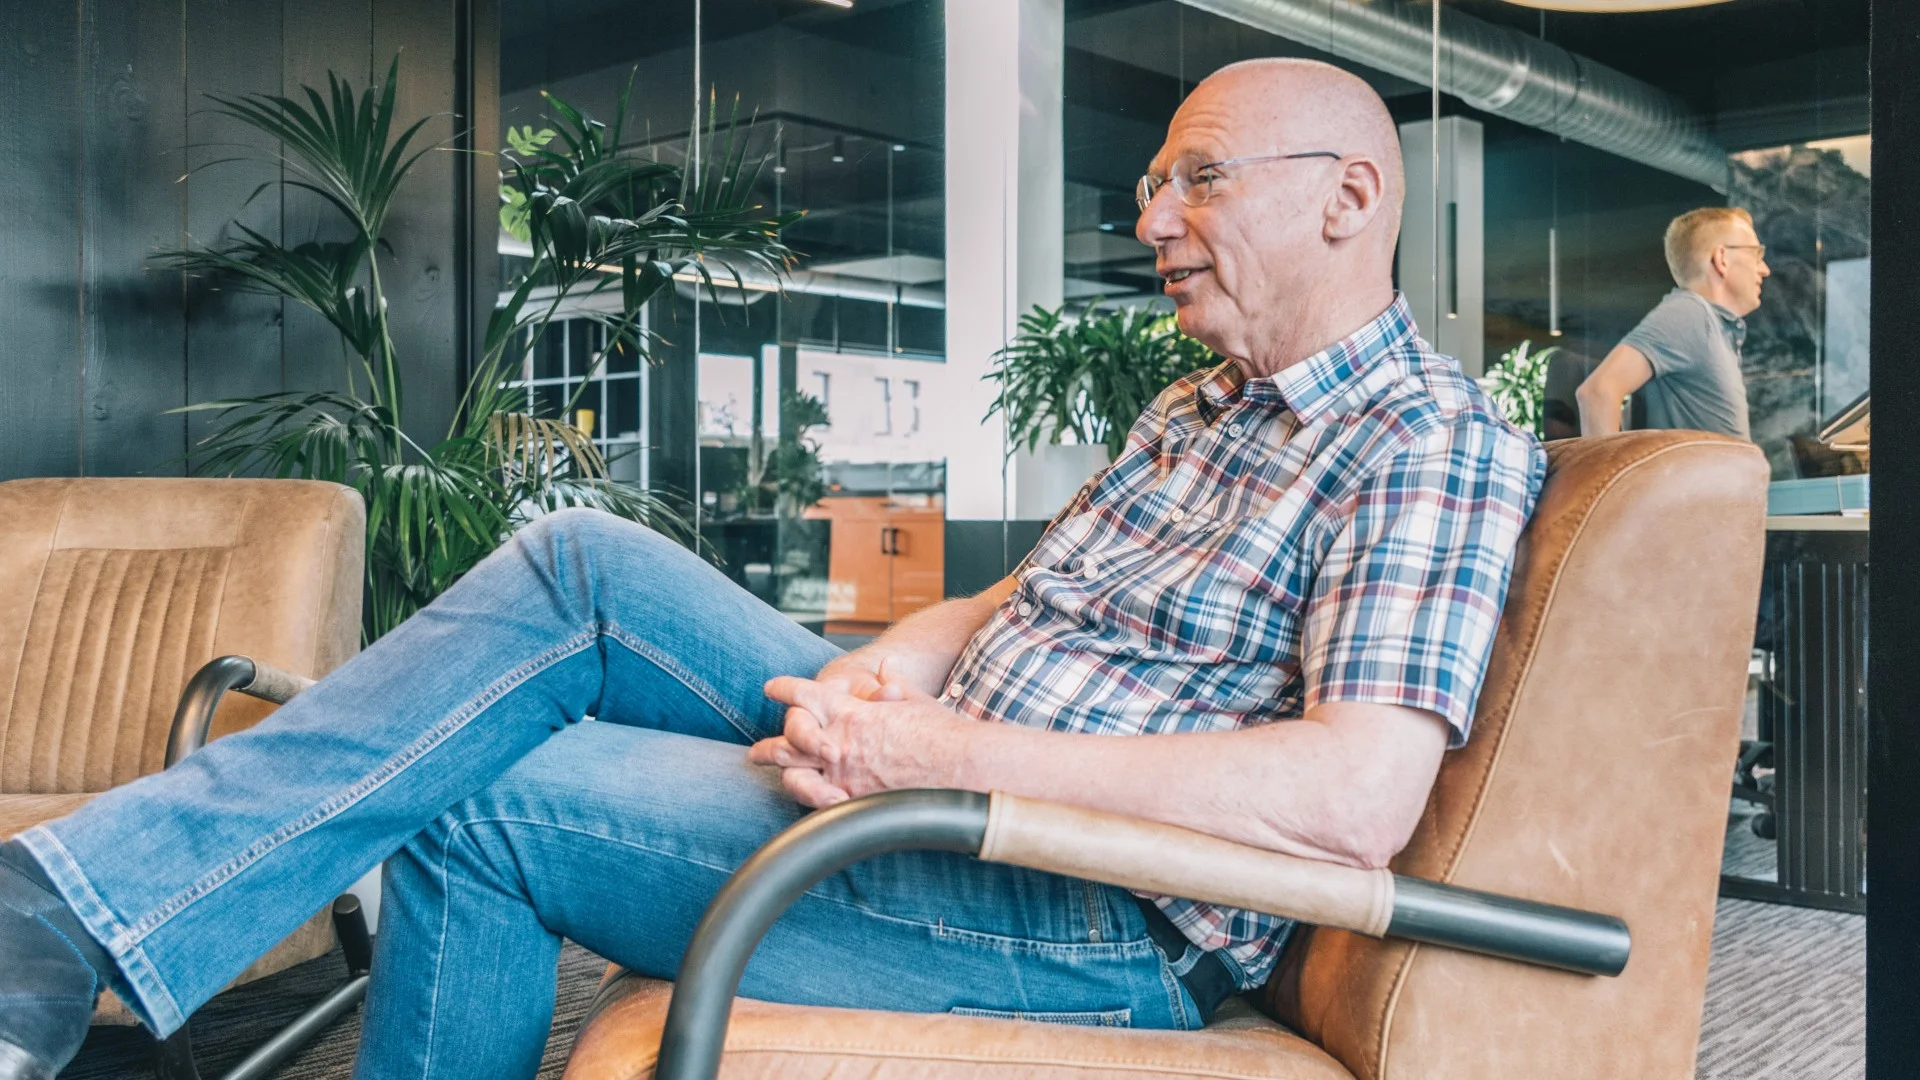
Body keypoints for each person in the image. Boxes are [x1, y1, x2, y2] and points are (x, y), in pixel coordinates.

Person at [0, 58, 1544, 1080]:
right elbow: (1015, 603)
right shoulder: (1194, 410)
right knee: (583, 562)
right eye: (1153, 184)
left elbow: (1352, 800)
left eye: (1197, 179)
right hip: (955, 776)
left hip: (1078, 908)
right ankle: (64, 919)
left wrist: (932, 755)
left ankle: (58, 931)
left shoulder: (1426, 440)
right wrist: (894, 671)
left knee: (483, 800)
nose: (1152, 219)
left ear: (1349, 197)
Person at [1575, 206, 1770, 438]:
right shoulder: (1691, 314)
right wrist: (1610, 463)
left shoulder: (1710, 324)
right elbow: (1597, 392)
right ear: (1722, 259)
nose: (1765, 270)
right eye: (1756, 255)